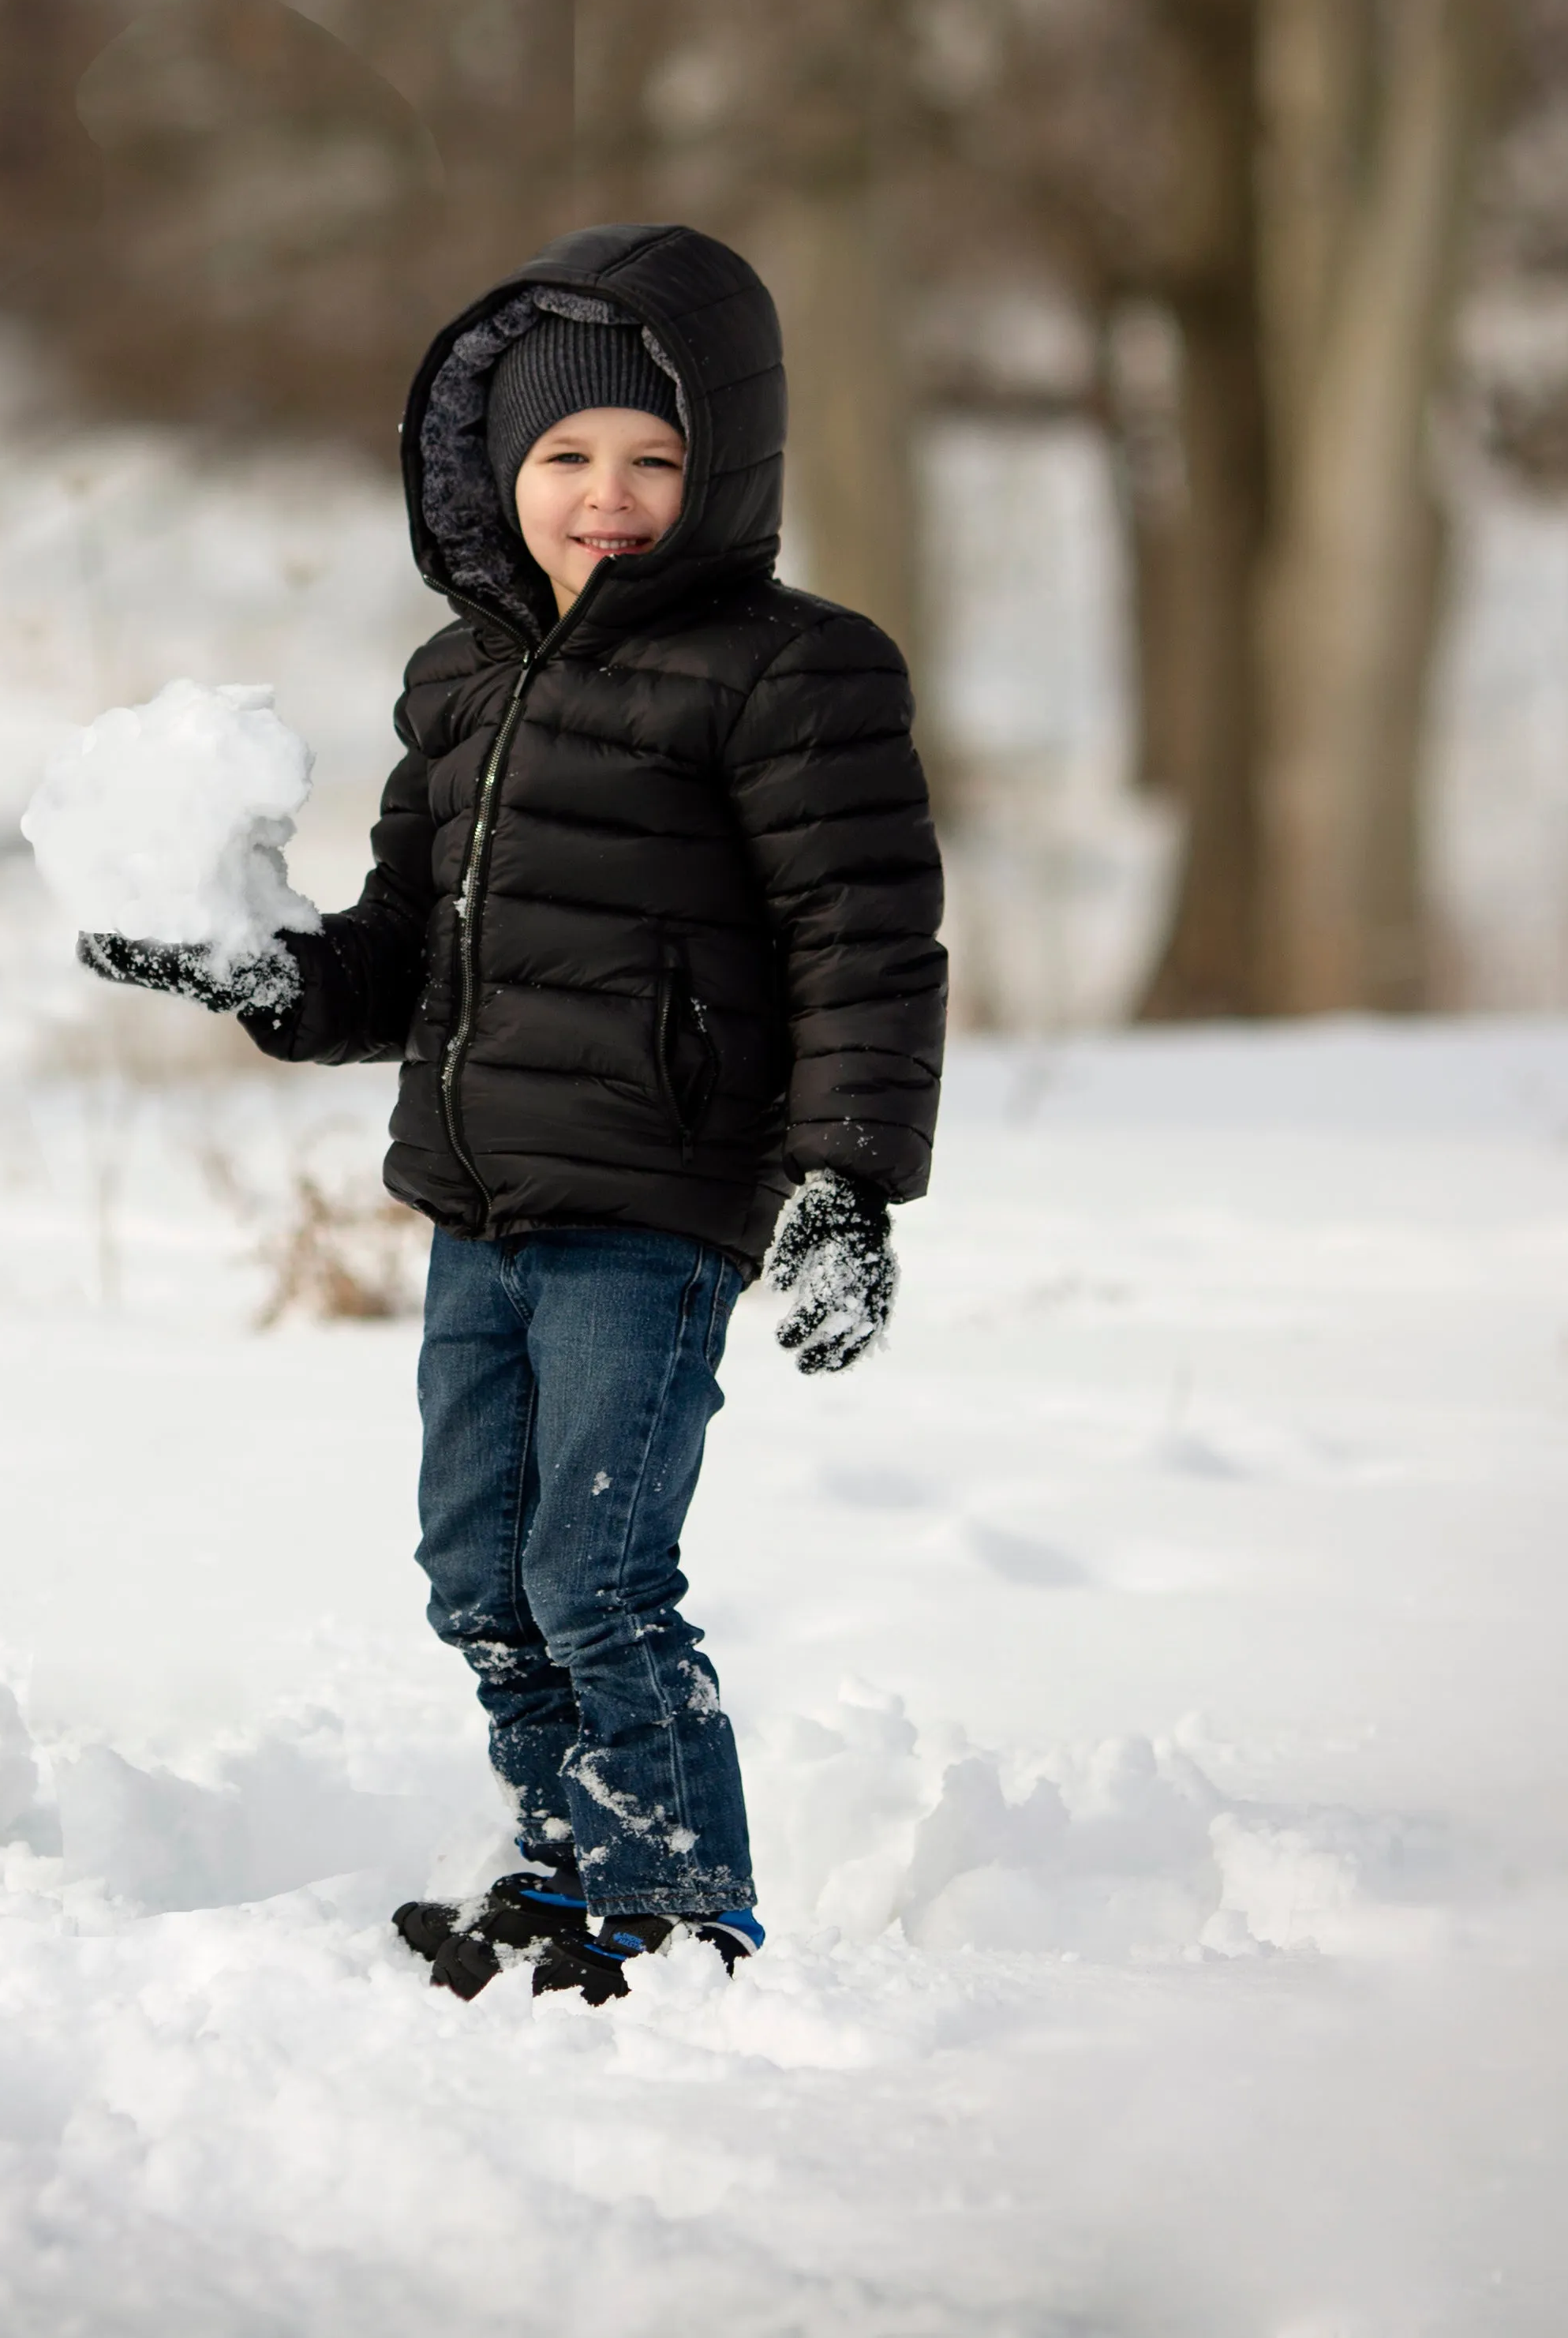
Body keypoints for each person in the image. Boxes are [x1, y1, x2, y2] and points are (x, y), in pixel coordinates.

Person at [81, 221, 947, 2003]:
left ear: (727, 470)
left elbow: (863, 939)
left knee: (599, 1573)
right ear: (492, 467)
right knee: (478, 1568)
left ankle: (677, 1908)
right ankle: (557, 1872)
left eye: (653, 459)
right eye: (565, 457)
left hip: (655, 1198)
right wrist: (258, 972)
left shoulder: (793, 672)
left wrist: (847, 1183)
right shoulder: (461, 680)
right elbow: (400, 953)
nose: (606, 496)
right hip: (480, 1199)